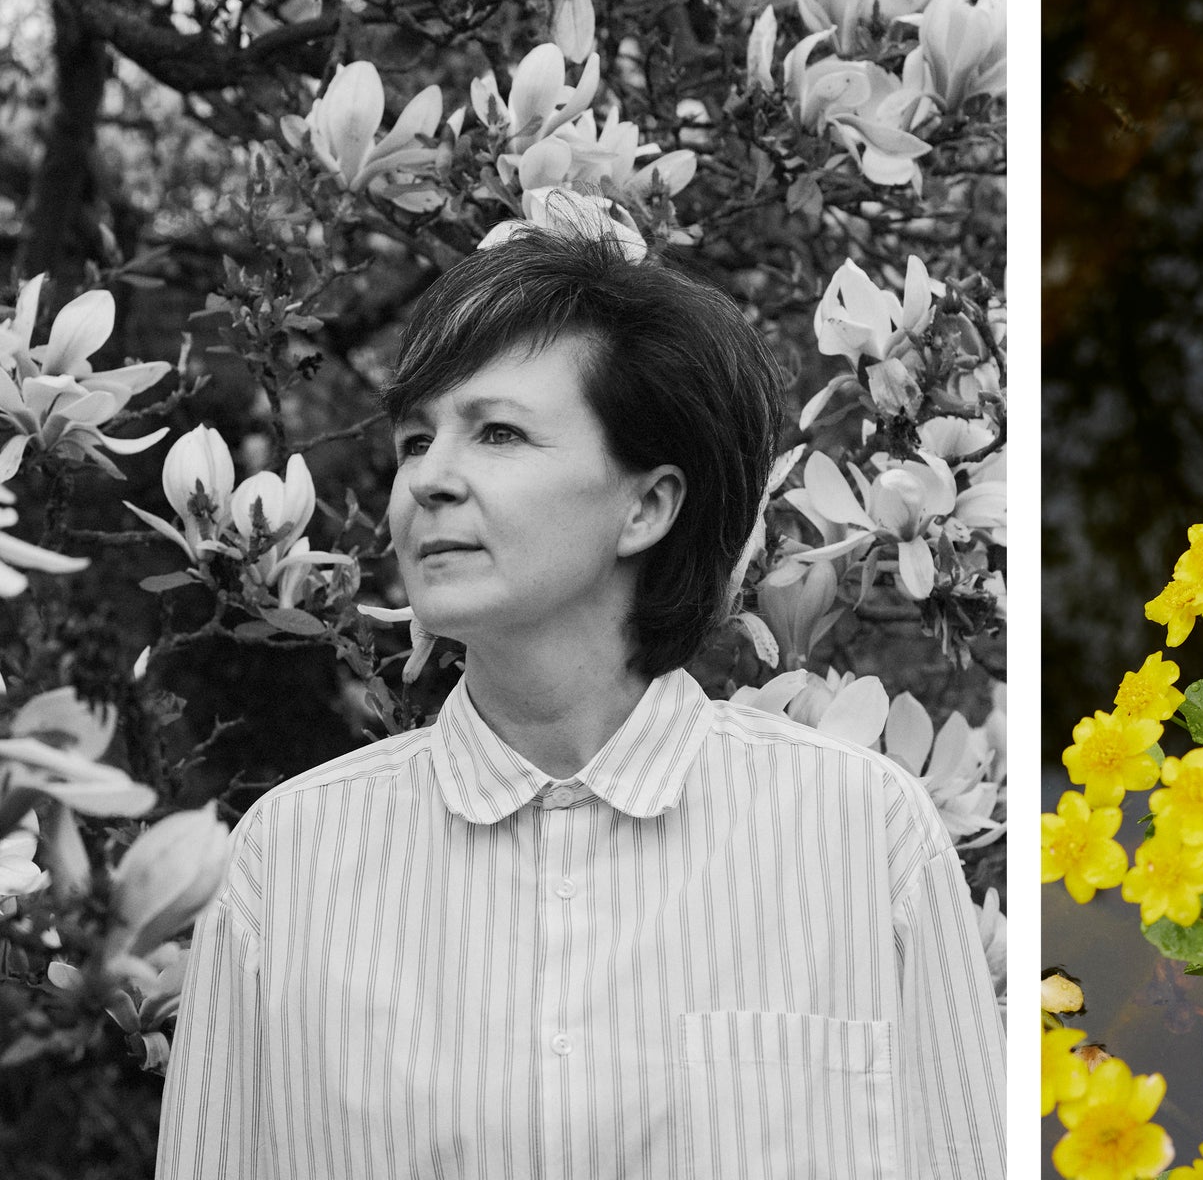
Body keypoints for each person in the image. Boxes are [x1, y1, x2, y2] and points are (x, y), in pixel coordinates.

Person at [157, 226, 1005, 1178]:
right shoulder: (291, 862)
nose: (429, 479)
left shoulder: (863, 839)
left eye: (500, 432)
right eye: (414, 440)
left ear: (646, 506)